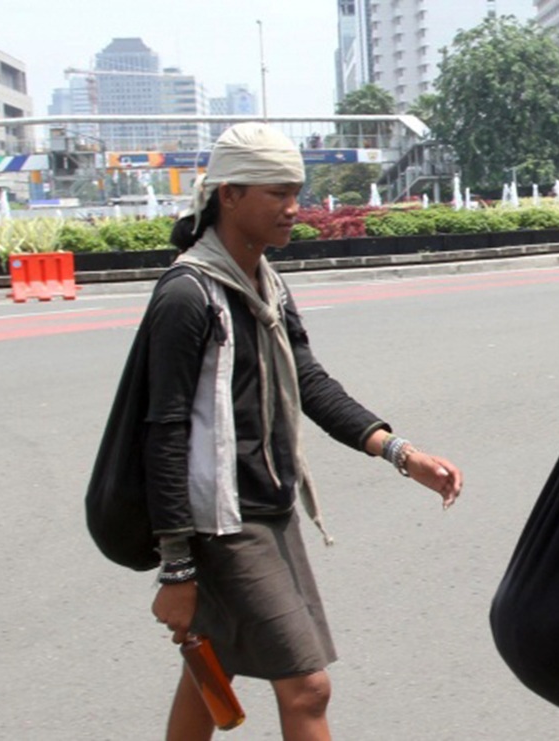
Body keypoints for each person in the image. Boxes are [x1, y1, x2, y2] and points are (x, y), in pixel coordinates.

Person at [143, 122, 463, 741]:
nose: (294, 208)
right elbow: (165, 434)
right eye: (278, 193)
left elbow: (308, 382)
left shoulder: (265, 284)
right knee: (307, 687)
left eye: (297, 192)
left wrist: (400, 452)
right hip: (223, 521)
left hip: (270, 505)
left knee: (212, 668)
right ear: (229, 195)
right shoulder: (188, 295)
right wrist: (176, 567)